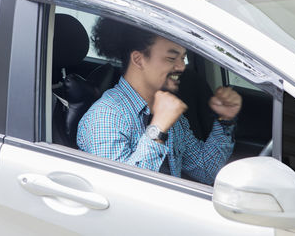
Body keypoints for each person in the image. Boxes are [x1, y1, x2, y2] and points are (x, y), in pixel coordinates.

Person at [77, 17, 242, 185]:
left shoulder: (169, 114)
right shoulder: (106, 117)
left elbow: (206, 170)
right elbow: (120, 194)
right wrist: (158, 129)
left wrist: (225, 120)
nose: (181, 67)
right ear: (138, 59)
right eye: (171, 58)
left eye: (183, 58)